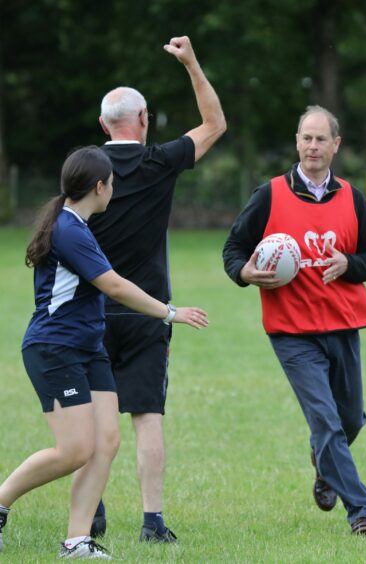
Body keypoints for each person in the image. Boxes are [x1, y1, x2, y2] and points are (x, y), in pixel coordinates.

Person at [0, 147, 208, 559]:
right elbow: (113, 285)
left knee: (105, 443)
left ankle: (77, 540)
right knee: (74, 449)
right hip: (54, 349)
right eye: (112, 183)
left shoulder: (78, 224)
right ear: (100, 187)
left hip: (87, 349)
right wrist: (169, 312)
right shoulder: (70, 230)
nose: (114, 189)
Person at [86, 36, 225, 542]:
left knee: (90, 422)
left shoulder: (85, 168)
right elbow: (215, 124)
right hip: (149, 313)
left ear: (104, 126)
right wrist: (190, 63)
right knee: (147, 417)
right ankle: (152, 522)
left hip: (89, 313)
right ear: (143, 120)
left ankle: (92, 510)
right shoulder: (159, 162)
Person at [222, 105, 366, 535]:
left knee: (349, 421)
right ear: (297, 143)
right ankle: (362, 512)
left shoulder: (352, 198)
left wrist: (348, 263)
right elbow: (233, 248)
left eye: (321, 139)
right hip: (292, 332)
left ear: (336, 145)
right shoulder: (270, 195)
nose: (313, 146)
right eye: (306, 138)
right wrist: (244, 272)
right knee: (327, 422)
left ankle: (323, 461)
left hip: (342, 325)